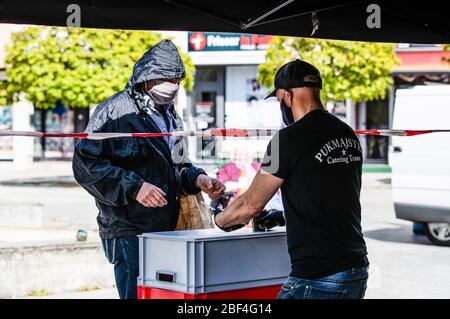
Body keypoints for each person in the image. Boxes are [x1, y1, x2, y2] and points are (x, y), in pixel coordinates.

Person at [72, 40, 225, 299]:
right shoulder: (113, 111)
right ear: (146, 77)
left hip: (166, 229)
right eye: (166, 78)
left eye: (177, 78)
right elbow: (86, 165)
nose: (173, 85)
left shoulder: (169, 114)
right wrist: (134, 187)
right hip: (128, 229)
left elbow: (177, 165)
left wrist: (198, 178)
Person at [214, 59, 369, 299]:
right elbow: (334, 199)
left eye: (278, 100)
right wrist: (287, 216)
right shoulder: (347, 134)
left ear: (286, 95)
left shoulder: (285, 140)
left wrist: (221, 219)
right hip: (355, 267)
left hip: (318, 276)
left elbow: (251, 204)